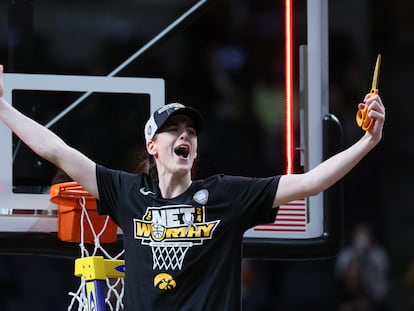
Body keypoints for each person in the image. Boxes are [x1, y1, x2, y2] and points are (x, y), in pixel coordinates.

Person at [0, 64, 385, 310]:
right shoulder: (127, 192)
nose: (185, 135)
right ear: (152, 146)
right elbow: (57, 150)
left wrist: (368, 141)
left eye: (191, 132)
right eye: (173, 129)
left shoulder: (225, 195)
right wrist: (2, 108)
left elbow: (310, 182)